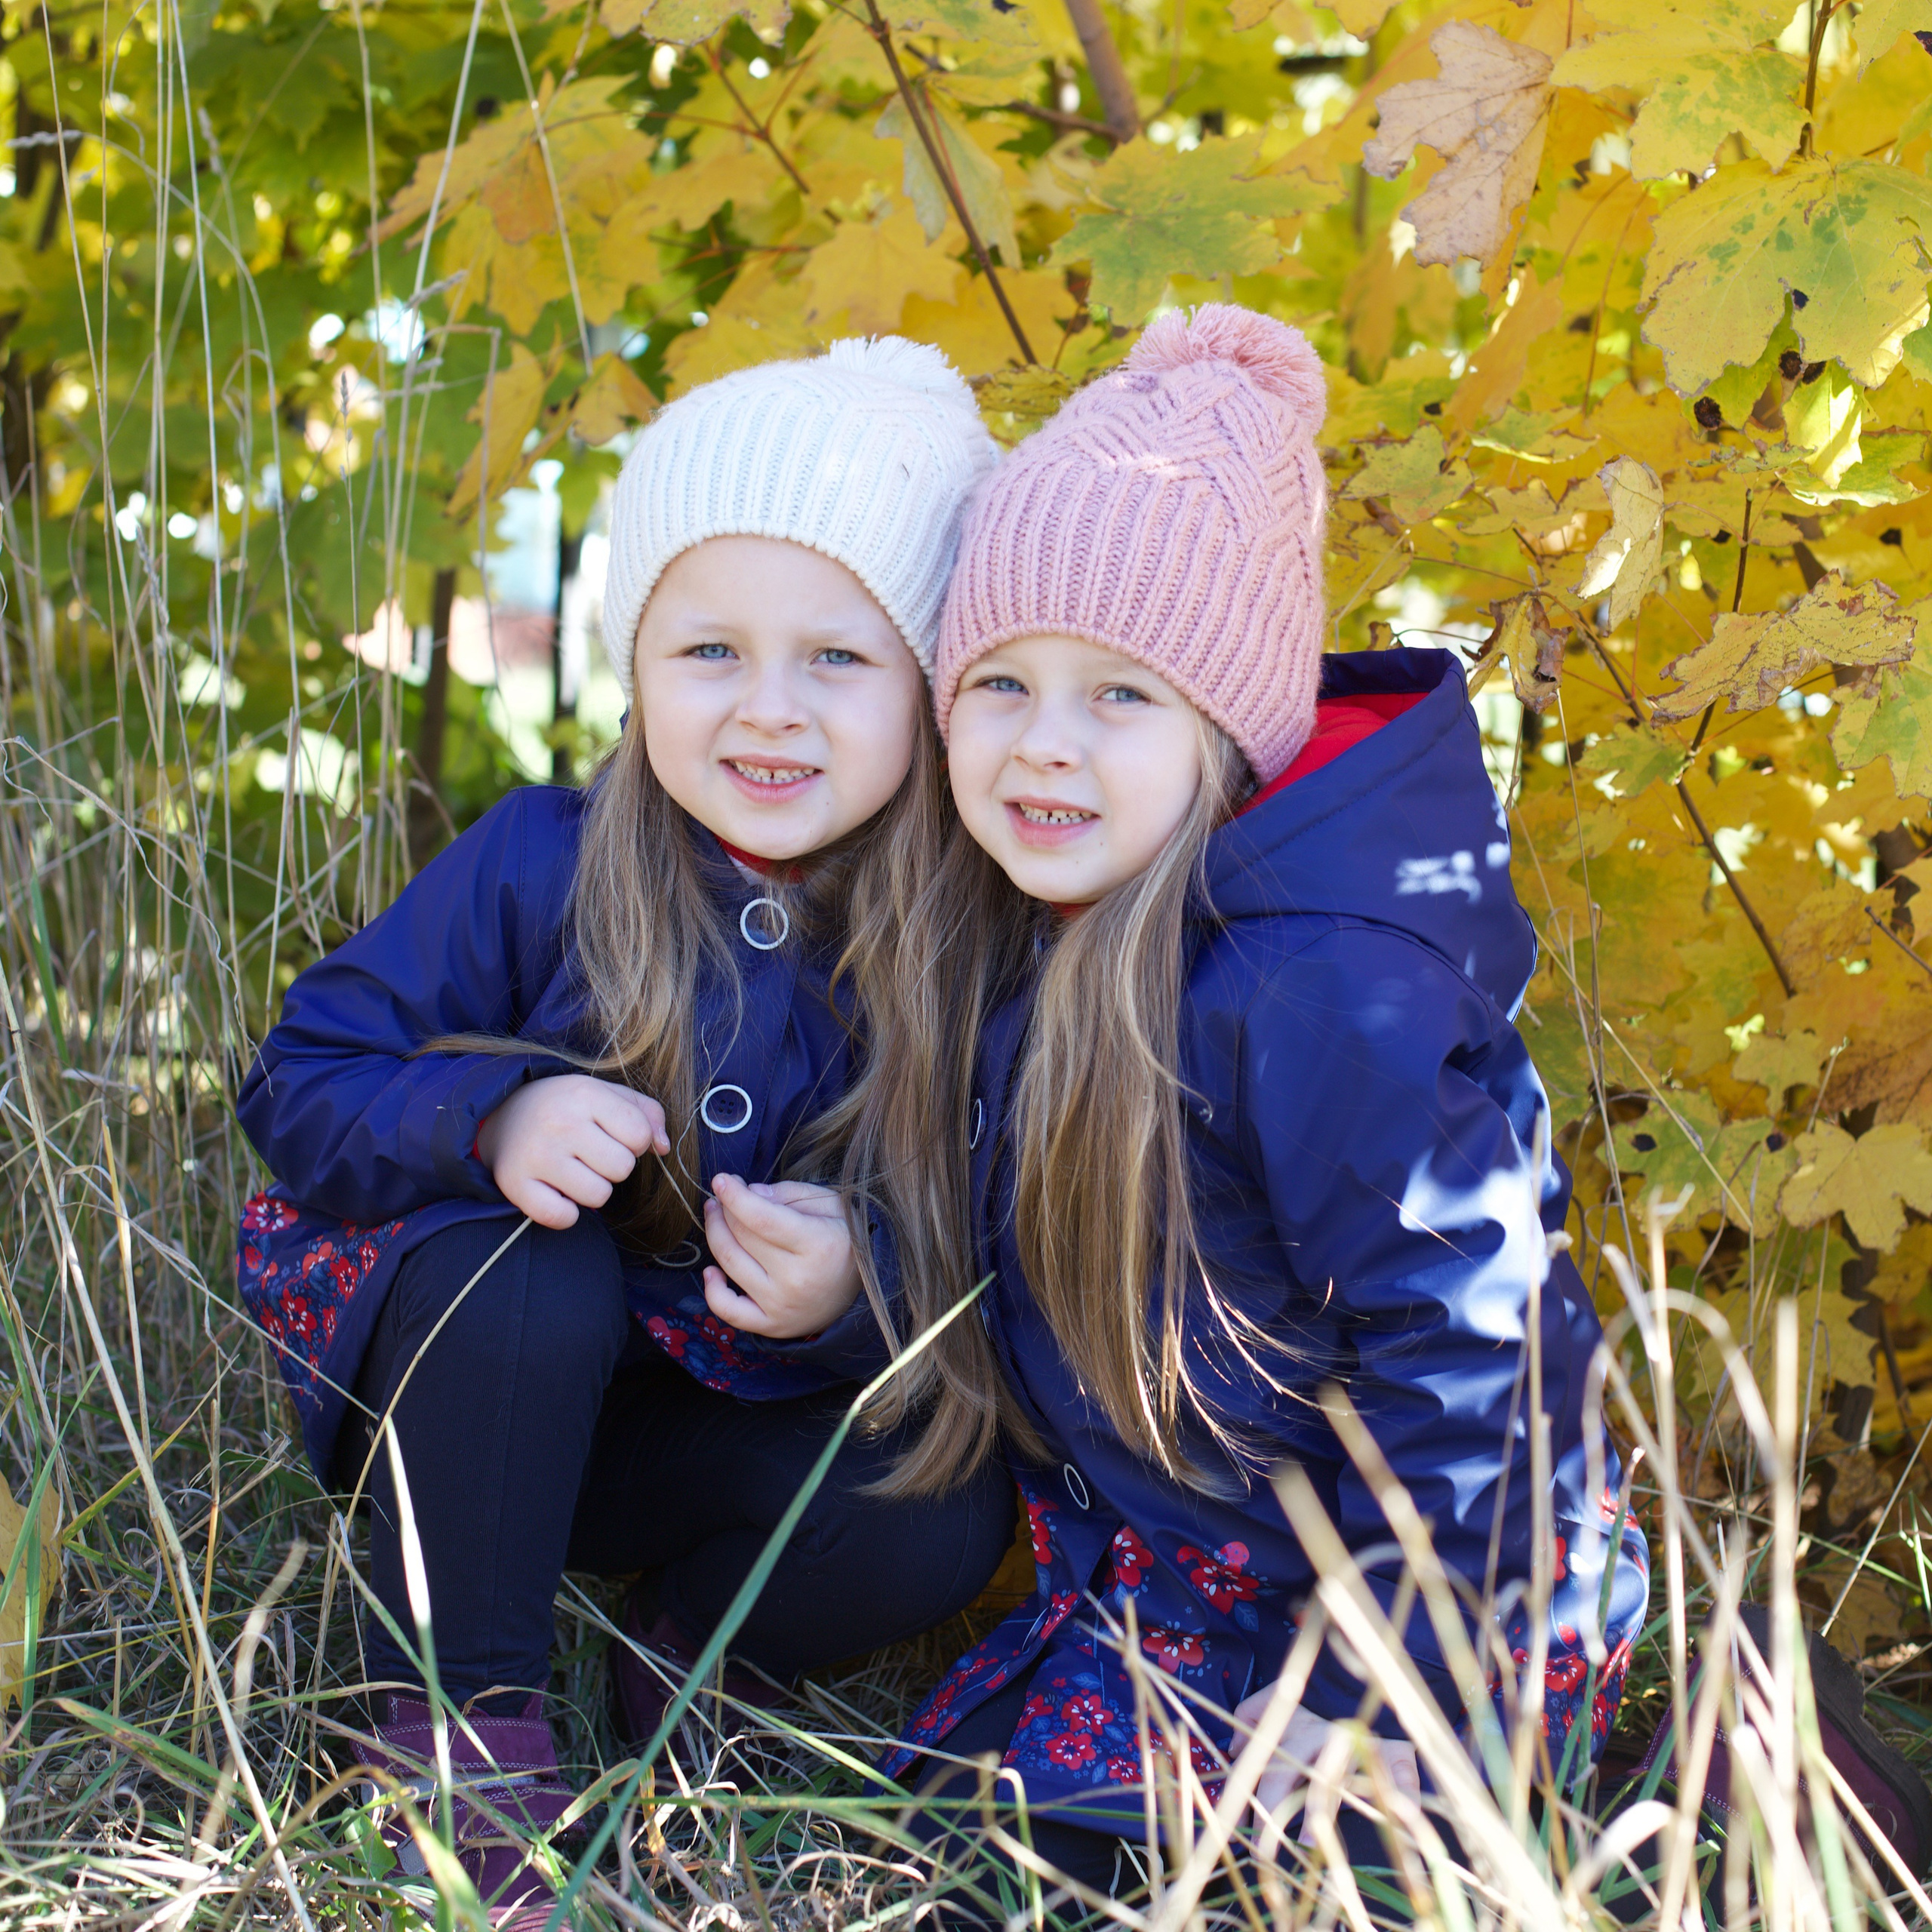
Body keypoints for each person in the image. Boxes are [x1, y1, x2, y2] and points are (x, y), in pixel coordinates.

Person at [873, 304, 1651, 1904]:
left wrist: (1387, 1698)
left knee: (1256, 1874)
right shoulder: (1051, 933)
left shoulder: (1313, 990)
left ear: (1229, 730)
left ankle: (1635, 1763)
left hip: (1437, 1581)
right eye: (1001, 682)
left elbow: (1489, 1365)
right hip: (1198, 1576)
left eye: (1120, 696)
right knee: (984, 1852)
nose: (1043, 744)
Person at [234, 337, 1016, 1925]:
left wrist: (856, 1284)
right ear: (633, 657)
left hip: (710, 1439)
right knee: (521, 1261)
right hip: (474, 1410)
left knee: (941, 1509)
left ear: (929, 681)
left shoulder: (964, 937)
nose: (766, 712)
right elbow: (299, 1073)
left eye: (838, 661)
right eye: (707, 651)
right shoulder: (546, 856)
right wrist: (488, 1112)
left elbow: (999, 1237)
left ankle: (675, 1655)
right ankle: (460, 1737)